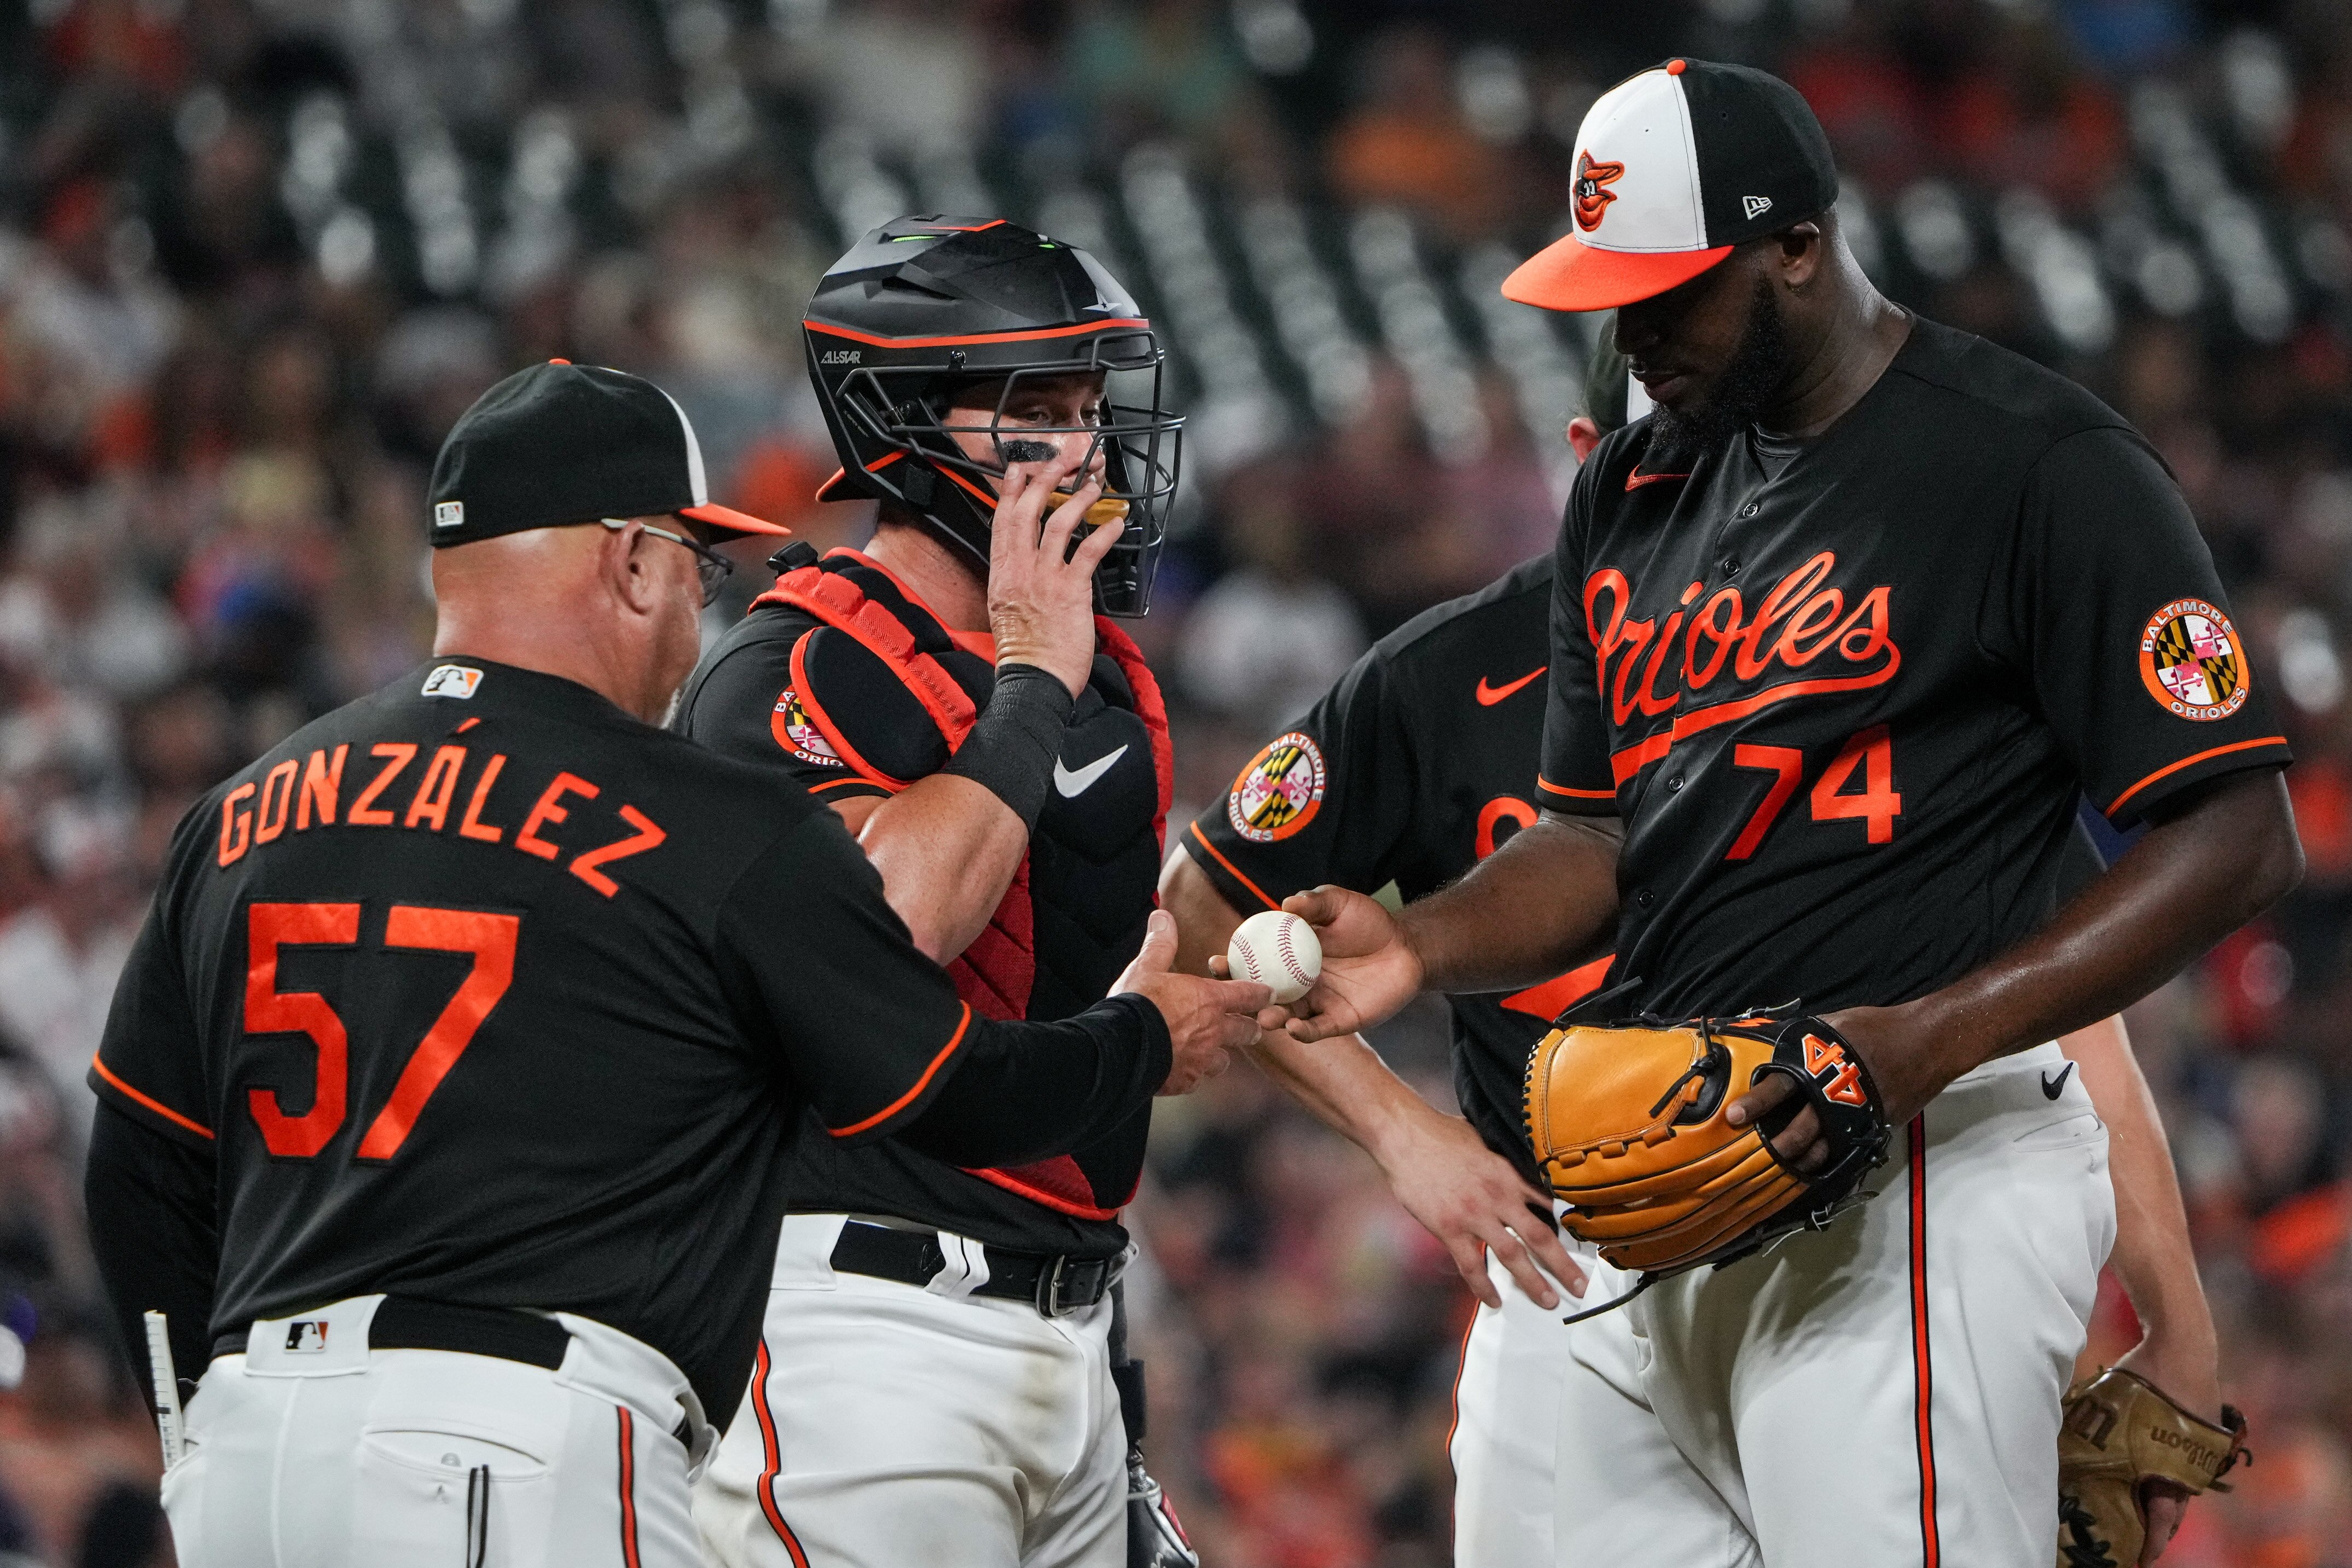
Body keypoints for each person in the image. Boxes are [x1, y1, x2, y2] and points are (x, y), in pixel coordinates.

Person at [1265, 59, 2300, 1566]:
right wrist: (1418, 948)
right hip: (1678, 1172)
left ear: (1794, 247)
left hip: (1926, 1164)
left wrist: (1921, 1041)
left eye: (1667, 292)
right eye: (1607, 295)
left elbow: (2235, 833)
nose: (1629, 335)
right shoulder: (1629, 484)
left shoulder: (2033, 467)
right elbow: (1594, 838)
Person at [80, 360, 1267, 1568]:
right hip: (518, 1438)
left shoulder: (245, 810)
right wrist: (1144, 1036)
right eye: (696, 569)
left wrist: (192, 1432)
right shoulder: (701, 820)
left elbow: (136, 1169)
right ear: (632, 561)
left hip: (253, 1445)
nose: (701, 606)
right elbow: (943, 1088)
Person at [673, 217, 1191, 1568]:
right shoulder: (789, 668)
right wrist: (1025, 675)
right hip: (858, 1321)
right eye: (1034, 411)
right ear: (903, 422)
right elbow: (890, 931)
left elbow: (1109, 971)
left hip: (1074, 1324)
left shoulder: (1107, 672)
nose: (1084, 449)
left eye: (1090, 405)